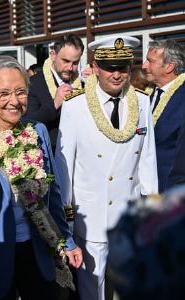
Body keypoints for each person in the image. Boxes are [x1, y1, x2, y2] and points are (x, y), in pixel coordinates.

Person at [0, 56, 83, 300]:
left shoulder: (38, 131)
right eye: (3, 93)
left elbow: (52, 193)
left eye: (20, 92)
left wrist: (66, 240)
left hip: (37, 251)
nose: (14, 102)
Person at [55, 36, 158, 300]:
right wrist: (65, 220)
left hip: (129, 215)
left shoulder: (143, 103)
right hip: (92, 215)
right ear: (96, 67)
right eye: (110, 67)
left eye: (123, 67)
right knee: (93, 290)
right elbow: (64, 166)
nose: (116, 74)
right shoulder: (75, 105)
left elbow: (147, 160)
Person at [24, 34, 84, 152]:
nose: (70, 68)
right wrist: (55, 104)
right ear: (53, 55)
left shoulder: (83, 84)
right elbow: (27, 122)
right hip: (49, 154)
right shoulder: (33, 84)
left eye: (75, 63)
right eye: (65, 61)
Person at [142, 39, 185, 192]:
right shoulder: (147, 94)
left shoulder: (182, 98)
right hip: (144, 190)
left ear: (169, 67)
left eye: (150, 61)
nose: (143, 66)